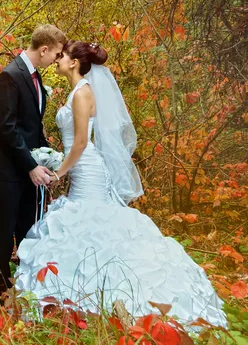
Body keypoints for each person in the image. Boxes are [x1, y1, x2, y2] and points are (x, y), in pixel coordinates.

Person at [13, 40, 227, 326]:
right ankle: (85, 298)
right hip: (83, 166)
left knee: (91, 225)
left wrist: (59, 172)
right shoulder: (79, 91)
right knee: (86, 227)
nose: (57, 60)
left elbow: (79, 143)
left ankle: (105, 295)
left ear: (74, 62)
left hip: (86, 168)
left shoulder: (81, 94)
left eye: (62, 56)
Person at [0, 24, 67, 303]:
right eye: (56, 54)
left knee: (27, 230)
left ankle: (22, 289)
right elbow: (7, 129)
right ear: (43, 50)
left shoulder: (34, 79)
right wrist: (32, 165)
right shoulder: (9, 76)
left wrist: (47, 155)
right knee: (4, 232)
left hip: (28, 170)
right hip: (9, 171)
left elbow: (31, 128)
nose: (56, 60)